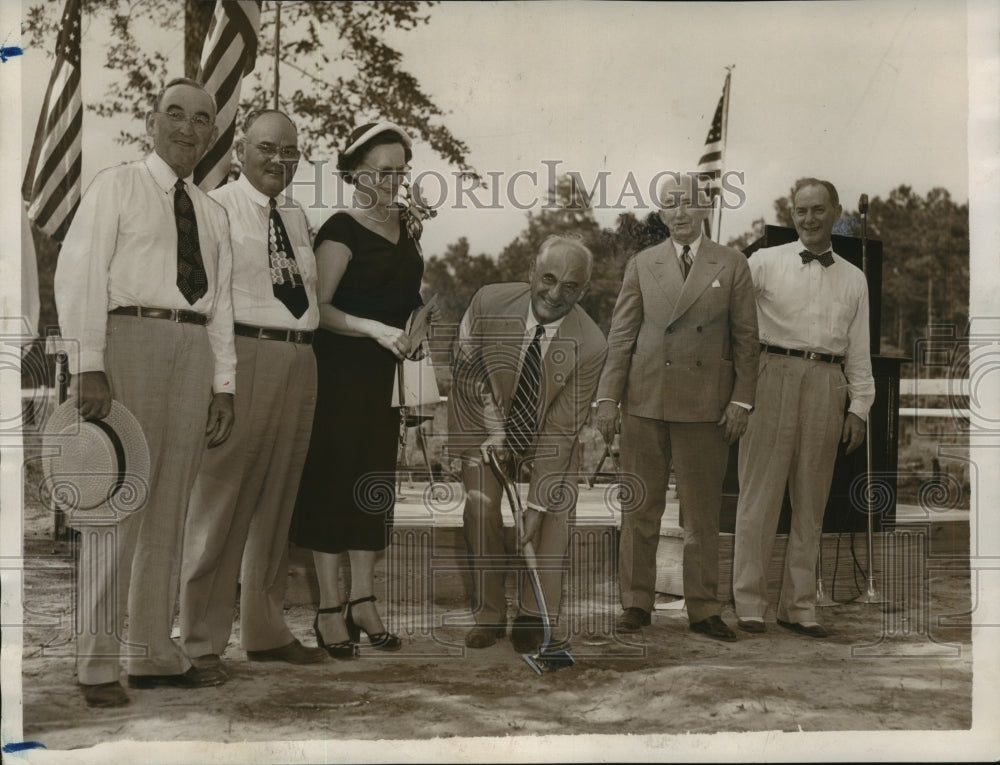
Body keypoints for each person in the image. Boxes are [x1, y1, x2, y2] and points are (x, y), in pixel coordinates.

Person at [54, 77, 236, 707]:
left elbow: (223, 308)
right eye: (175, 115)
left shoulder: (212, 211)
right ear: (152, 122)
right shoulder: (118, 185)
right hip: (129, 338)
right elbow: (78, 273)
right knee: (119, 502)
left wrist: (224, 384)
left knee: (170, 508)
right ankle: (97, 663)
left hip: (192, 350)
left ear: (213, 132)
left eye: (201, 119)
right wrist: (88, 364)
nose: (187, 129)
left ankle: (154, 652)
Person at [178, 110, 327, 670]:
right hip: (244, 355)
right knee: (220, 504)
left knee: (277, 502)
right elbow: (208, 303)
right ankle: (200, 640)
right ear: (241, 149)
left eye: (290, 151)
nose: (278, 160)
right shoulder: (214, 206)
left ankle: (265, 631)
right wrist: (223, 383)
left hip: (299, 359)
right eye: (267, 147)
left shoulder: (294, 214)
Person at [595, 172, 759, 642]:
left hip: (707, 408)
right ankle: (635, 602)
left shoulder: (731, 264)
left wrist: (741, 400)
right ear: (661, 213)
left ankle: (704, 608)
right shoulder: (643, 263)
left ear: (705, 207)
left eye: (688, 202)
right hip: (644, 403)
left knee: (701, 515)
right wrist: (608, 397)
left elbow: (747, 340)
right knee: (639, 510)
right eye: (670, 204)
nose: (680, 212)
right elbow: (622, 334)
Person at [290, 122, 425, 655]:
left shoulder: (408, 226)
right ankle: (328, 608)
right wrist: (375, 328)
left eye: (400, 171)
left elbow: (403, 295)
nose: (394, 181)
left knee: (374, 486)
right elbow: (316, 309)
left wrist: (417, 325)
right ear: (353, 172)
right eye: (382, 171)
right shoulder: (340, 230)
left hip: (385, 380)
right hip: (339, 376)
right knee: (333, 485)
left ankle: (363, 601)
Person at [448, 236, 608, 653]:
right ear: (531, 273)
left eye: (571, 287)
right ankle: (488, 614)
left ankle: (535, 613)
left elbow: (561, 428)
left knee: (553, 509)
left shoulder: (592, 344)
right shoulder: (488, 301)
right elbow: (467, 368)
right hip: (485, 419)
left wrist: (535, 506)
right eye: (549, 279)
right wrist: (492, 428)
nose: (556, 294)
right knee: (481, 505)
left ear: (584, 290)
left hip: (546, 436)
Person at [732, 178, 874, 638]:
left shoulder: (855, 277)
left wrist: (860, 407)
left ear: (836, 211)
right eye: (800, 211)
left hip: (827, 385)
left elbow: (859, 350)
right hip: (772, 374)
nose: (809, 219)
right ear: (791, 214)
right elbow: (730, 317)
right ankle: (749, 602)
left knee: (811, 503)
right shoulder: (763, 263)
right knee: (759, 497)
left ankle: (798, 606)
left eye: (818, 209)